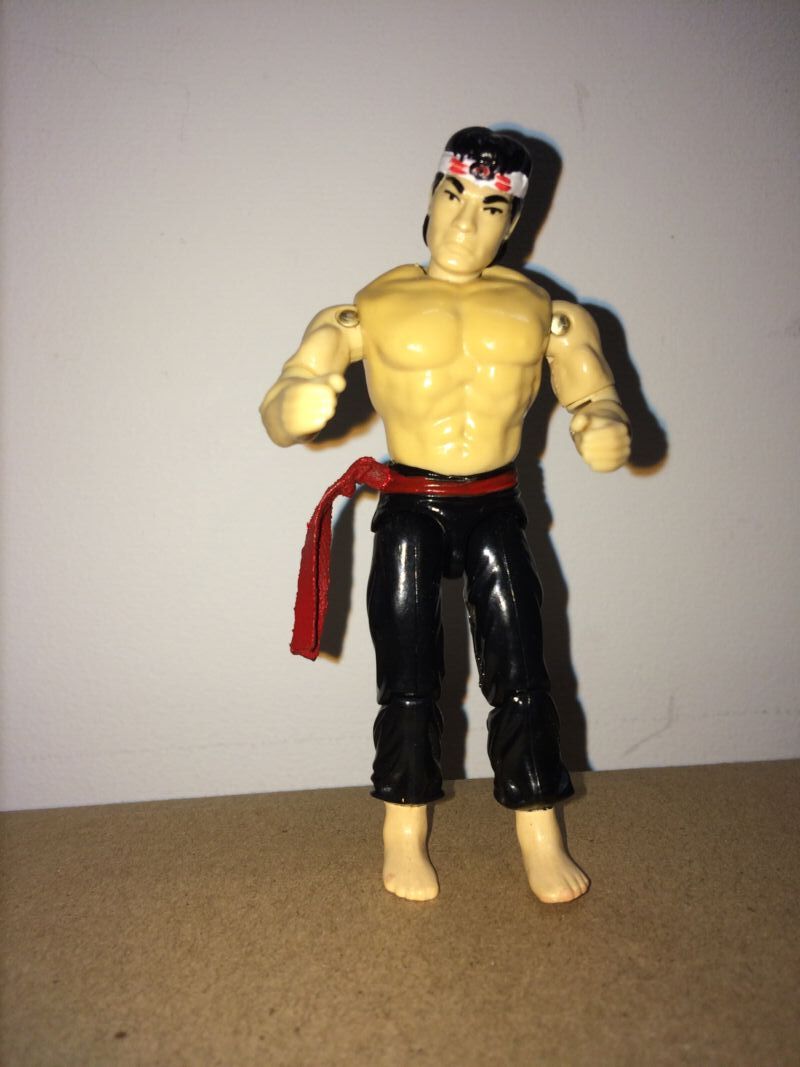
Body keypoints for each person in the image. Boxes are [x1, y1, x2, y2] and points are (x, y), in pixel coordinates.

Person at [260, 127, 630, 903]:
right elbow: (291, 386)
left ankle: (539, 830)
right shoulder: (371, 306)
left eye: (490, 208)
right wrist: (295, 404)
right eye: (453, 196)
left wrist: (601, 421)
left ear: (513, 222)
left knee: (522, 671)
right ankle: (402, 829)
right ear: (430, 199)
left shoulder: (546, 312)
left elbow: (593, 390)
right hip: (411, 506)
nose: (465, 222)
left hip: (495, 506)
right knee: (407, 678)